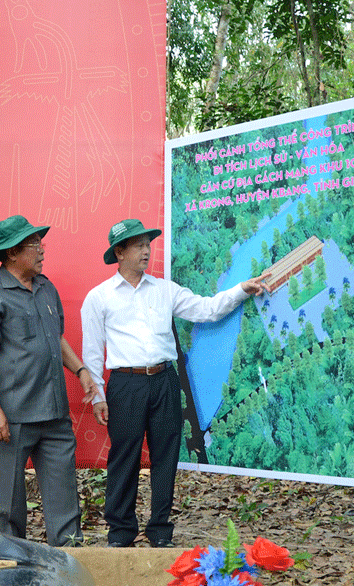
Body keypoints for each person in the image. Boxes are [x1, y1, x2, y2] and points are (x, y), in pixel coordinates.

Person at [81, 219, 270, 548]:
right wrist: (98, 395)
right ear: (119, 252)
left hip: (164, 381)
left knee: (165, 456)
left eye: (147, 244)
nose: (146, 250)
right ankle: (120, 532)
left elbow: (207, 309)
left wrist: (241, 289)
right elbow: (92, 352)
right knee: (124, 457)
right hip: (125, 385)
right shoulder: (99, 298)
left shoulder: (165, 290)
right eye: (138, 245)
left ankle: (159, 531)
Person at [0, 215, 97, 547]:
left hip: (54, 414)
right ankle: (11, 568)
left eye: (40, 243)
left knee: (65, 501)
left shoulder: (46, 287)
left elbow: (57, 339)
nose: (42, 250)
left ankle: (69, 566)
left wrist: (81, 371)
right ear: (11, 253)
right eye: (34, 245)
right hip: (11, 416)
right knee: (9, 506)